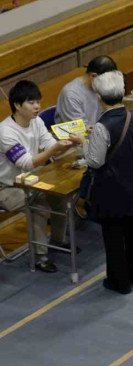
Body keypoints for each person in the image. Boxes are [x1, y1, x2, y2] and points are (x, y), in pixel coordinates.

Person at [68, 71, 133, 294]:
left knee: (114, 237)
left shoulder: (102, 127)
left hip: (112, 190)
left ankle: (119, 282)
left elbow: (95, 161)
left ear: (98, 96)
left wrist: (84, 141)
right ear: (123, 93)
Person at [0, 80, 74, 273]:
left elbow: (50, 145)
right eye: (31, 102)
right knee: (39, 203)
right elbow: (25, 163)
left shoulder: (37, 121)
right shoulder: (5, 132)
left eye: (38, 102)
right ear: (17, 105)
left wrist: (67, 144)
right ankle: (41, 257)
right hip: (7, 186)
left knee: (59, 195)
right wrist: (53, 151)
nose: (37, 107)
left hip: (32, 179)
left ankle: (59, 240)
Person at [56, 55, 118, 126]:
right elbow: (80, 130)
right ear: (93, 76)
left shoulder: (100, 87)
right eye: (106, 80)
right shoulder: (71, 95)